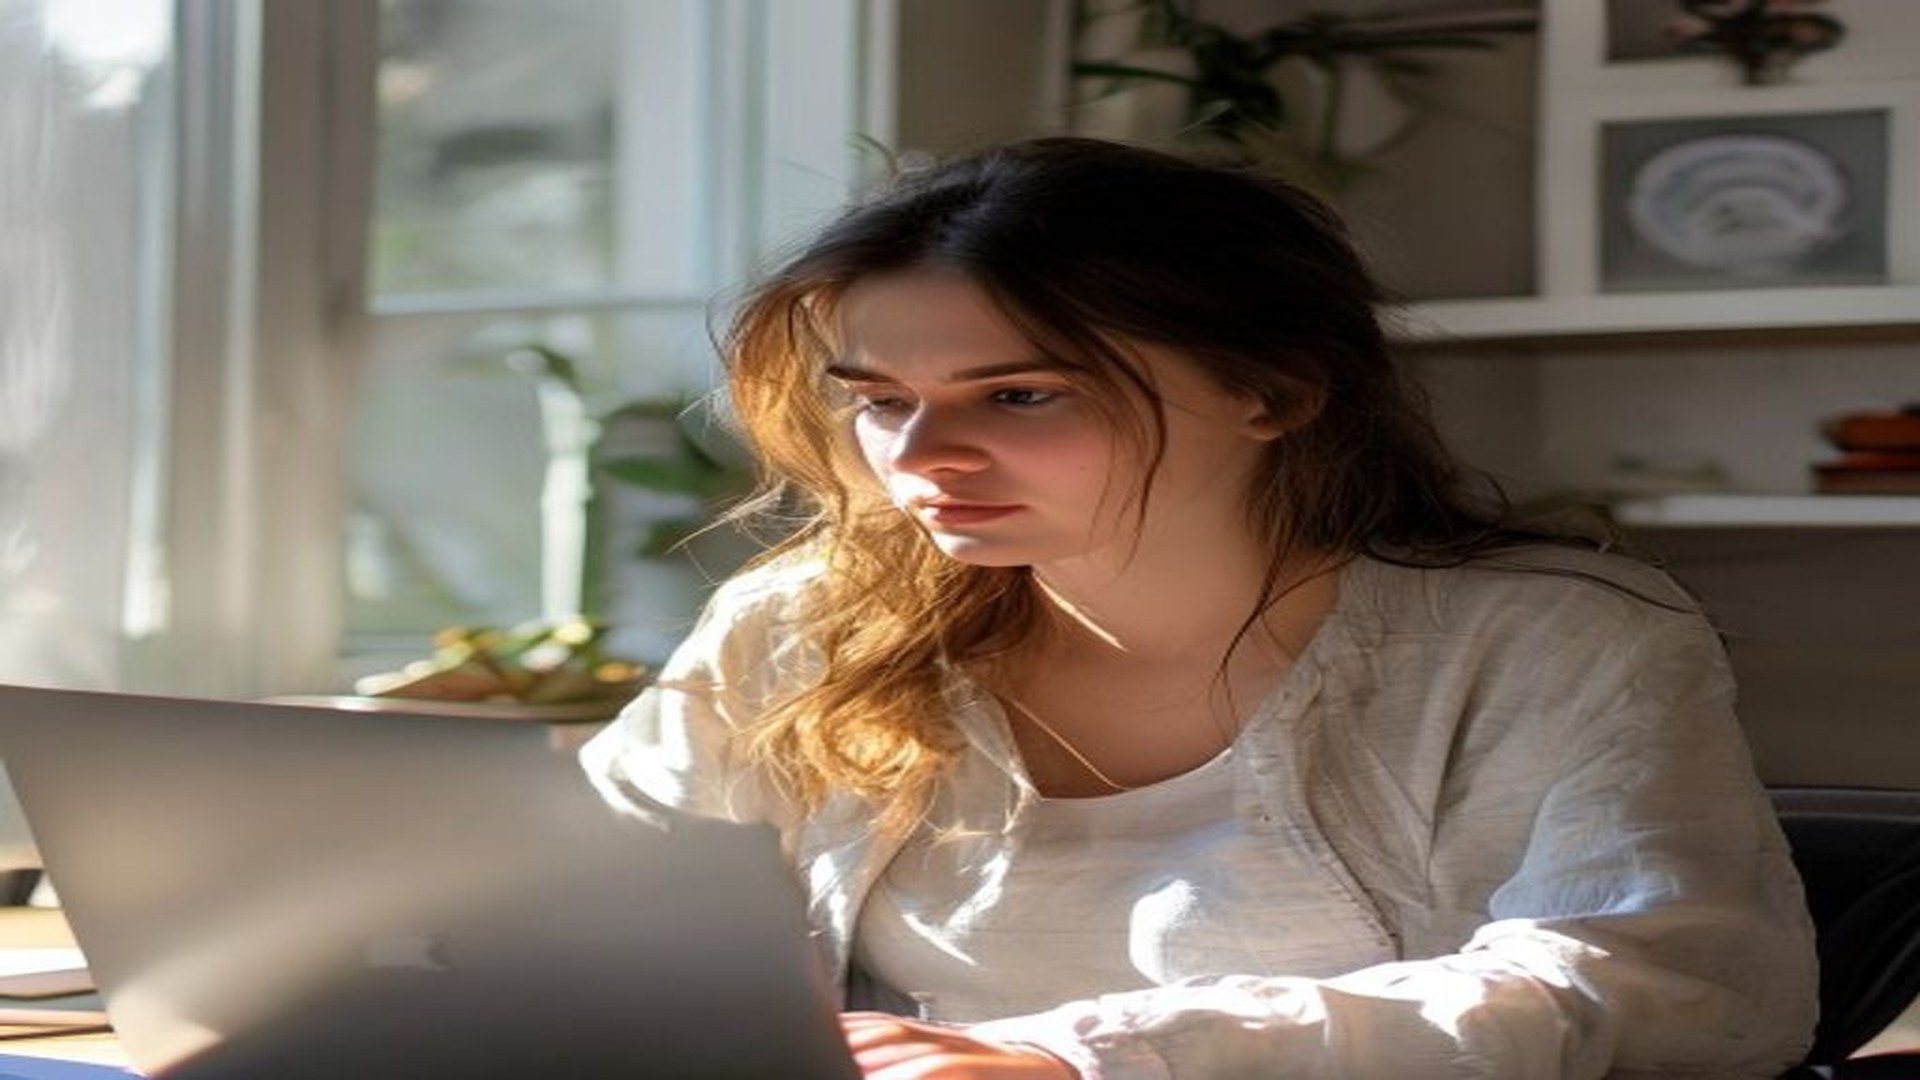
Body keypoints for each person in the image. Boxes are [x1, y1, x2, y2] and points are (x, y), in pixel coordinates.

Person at [579, 136, 1817, 1079]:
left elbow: (1656, 985)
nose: (921, 457)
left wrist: (1078, 1062)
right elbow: (594, 903)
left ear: (1272, 393)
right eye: (880, 397)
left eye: (1017, 397)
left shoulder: (1554, 639)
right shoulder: (805, 625)